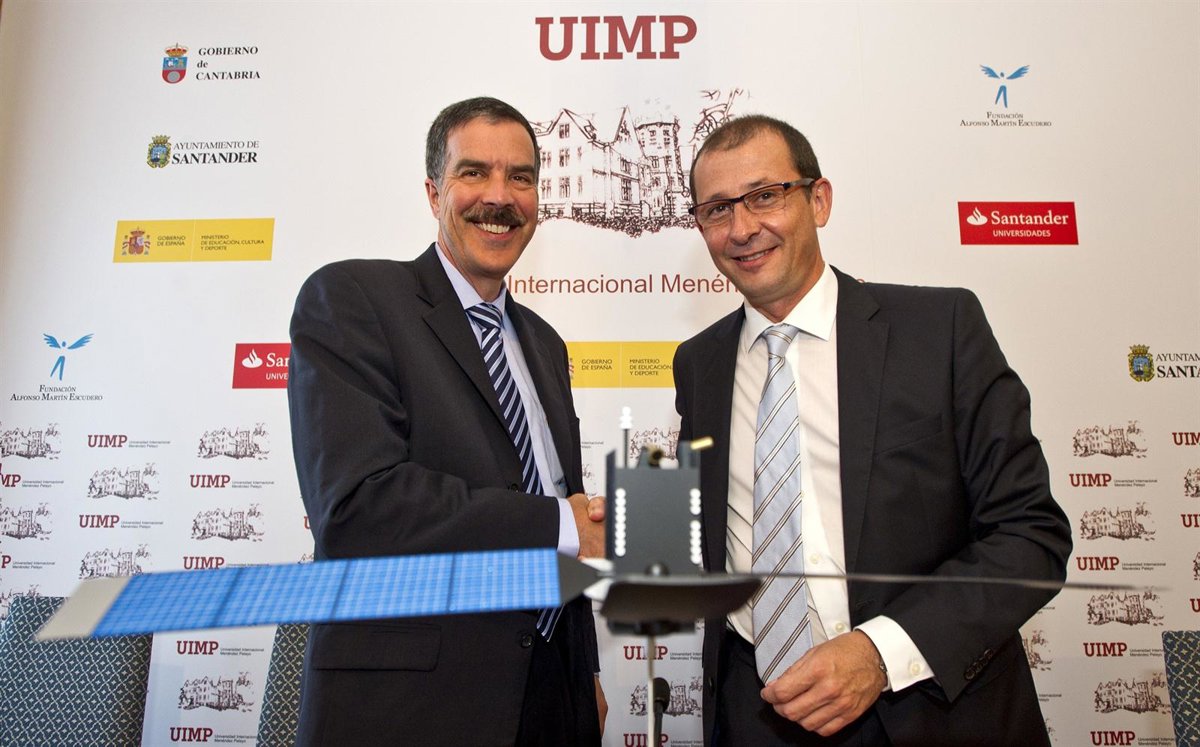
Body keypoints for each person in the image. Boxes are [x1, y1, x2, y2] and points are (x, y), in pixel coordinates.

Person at [672, 114, 1072, 746]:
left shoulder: (940, 329)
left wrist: (880, 653)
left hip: (929, 712)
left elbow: (1030, 535)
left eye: (765, 196)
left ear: (819, 200)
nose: (741, 228)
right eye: (717, 209)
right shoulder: (699, 364)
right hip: (757, 714)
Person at [287, 96, 606, 746]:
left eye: (521, 177)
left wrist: (584, 672)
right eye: (474, 172)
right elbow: (358, 507)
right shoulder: (353, 299)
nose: (500, 196)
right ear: (434, 192)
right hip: (414, 708)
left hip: (552, 698)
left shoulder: (545, 344)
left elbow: (558, 501)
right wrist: (559, 524)